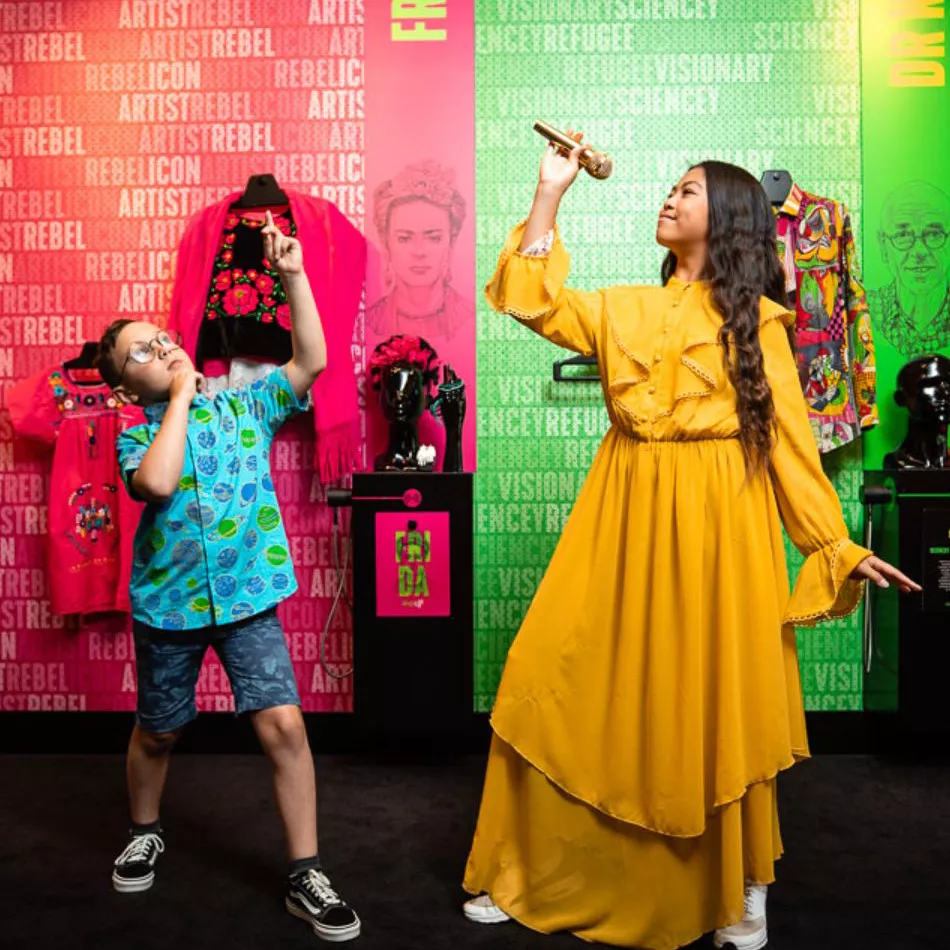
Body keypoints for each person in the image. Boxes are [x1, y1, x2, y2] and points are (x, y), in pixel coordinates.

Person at [462, 138, 920, 950]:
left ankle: (743, 888)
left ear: (731, 220)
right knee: (553, 675)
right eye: (671, 189)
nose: (670, 199)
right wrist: (549, 191)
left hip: (722, 527)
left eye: (690, 191)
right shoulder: (623, 307)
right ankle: (521, 866)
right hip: (621, 511)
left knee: (719, 695)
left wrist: (834, 545)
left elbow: (791, 449)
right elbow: (532, 300)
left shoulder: (762, 328)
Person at [95, 212, 360, 943]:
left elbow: (310, 363)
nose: (161, 348)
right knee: (159, 732)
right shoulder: (137, 431)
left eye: (163, 337)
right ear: (125, 385)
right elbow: (155, 483)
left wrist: (294, 275)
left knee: (283, 724)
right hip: (168, 609)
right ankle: (144, 829)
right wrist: (180, 394)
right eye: (140, 352)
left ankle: (305, 872)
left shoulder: (247, 402)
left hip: (248, 599)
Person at [367, 160, 472, 342]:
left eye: (433, 237)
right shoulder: (368, 323)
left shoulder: (471, 320)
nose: (419, 251)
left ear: (451, 243)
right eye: (404, 238)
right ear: (386, 243)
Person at [869, 180, 950, 357]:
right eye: (903, 235)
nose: (919, 251)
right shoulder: (866, 311)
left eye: (934, 234)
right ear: (883, 246)